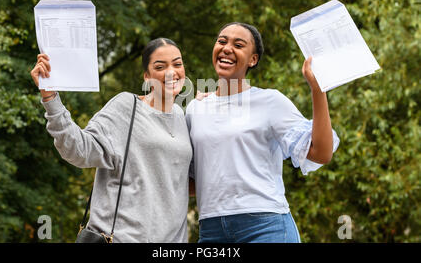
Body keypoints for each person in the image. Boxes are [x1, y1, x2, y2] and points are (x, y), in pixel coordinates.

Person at [186, 22, 340, 243]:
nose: (227, 48)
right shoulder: (194, 109)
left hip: (265, 227)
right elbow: (194, 181)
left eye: (238, 45)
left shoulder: (270, 101)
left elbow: (321, 153)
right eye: (222, 41)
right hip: (211, 230)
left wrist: (318, 89)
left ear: (253, 59)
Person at [30, 38, 193, 242]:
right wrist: (50, 97)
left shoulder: (182, 117)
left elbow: (182, 182)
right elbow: (79, 150)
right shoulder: (127, 106)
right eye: (160, 66)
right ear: (147, 77)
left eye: (177, 64)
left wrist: (213, 101)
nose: (171, 72)